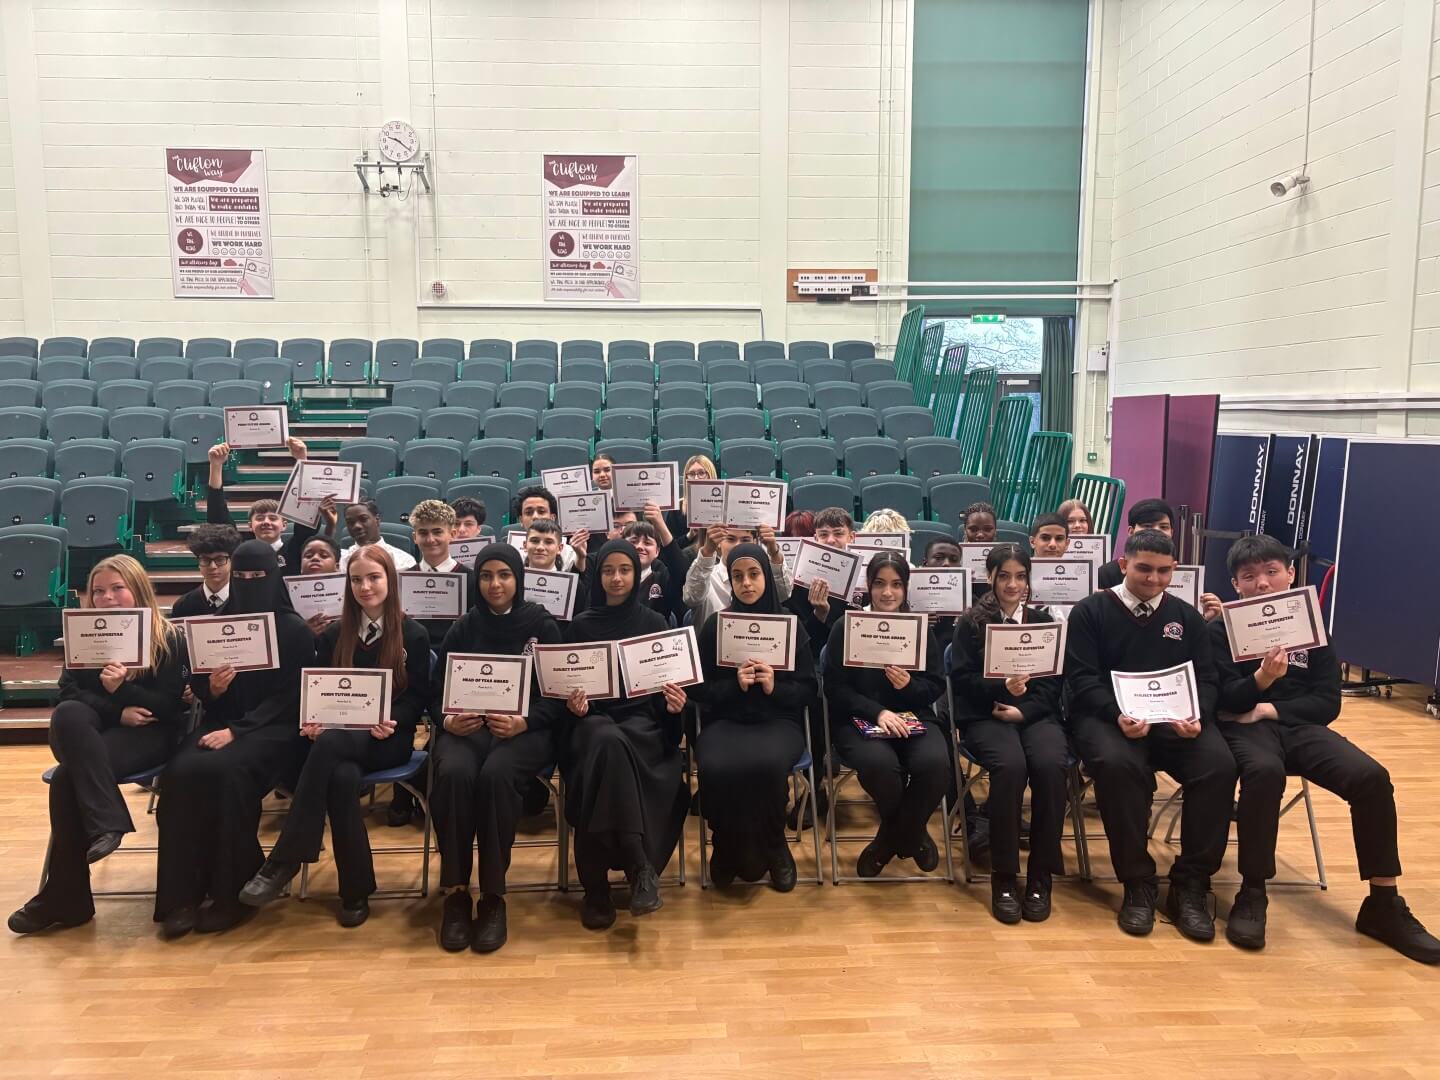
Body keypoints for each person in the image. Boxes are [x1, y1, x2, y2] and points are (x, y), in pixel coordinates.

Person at [1211, 535, 1440, 962]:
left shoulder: (1312, 630)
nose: (1262, 583)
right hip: (1244, 730)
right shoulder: (1219, 630)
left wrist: (1268, 707)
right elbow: (1223, 701)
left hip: (1295, 726)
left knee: (1371, 777)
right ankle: (1253, 891)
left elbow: (1327, 703)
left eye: (1271, 572)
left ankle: (1383, 903)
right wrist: (1261, 680)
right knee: (1264, 773)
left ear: (1290, 574)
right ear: (1236, 584)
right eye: (1250, 576)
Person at [238, 546, 431, 927]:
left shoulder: (414, 633)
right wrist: (314, 719)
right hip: (339, 738)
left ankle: (285, 858)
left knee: (329, 747)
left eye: (373, 577)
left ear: (390, 581)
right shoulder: (333, 634)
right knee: (340, 775)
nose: (365, 587)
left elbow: (417, 699)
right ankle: (355, 892)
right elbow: (319, 689)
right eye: (356, 580)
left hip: (387, 740)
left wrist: (390, 720)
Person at [1064, 529, 1235, 942]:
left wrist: (1197, 713)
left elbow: (1206, 678)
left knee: (1219, 765)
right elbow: (1081, 679)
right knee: (1117, 766)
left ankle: (1190, 885)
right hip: (1109, 719)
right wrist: (1116, 713)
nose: (1153, 579)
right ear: (1124, 564)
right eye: (1144, 569)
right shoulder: (1090, 612)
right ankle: (1137, 882)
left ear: (1174, 570)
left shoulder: (1186, 617)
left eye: (1163, 571)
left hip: (1174, 721)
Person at [9, 556, 187, 935]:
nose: (106, 598)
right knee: (68, 713)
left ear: (137, 589)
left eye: (117, 588)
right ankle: (108, 820)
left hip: (150, 734)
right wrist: (118, 710)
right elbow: (68, 692)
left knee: (66, 779)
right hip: (90, 732)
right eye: (98, 591)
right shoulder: (84, 635)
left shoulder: (168, 637)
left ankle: (65, 899)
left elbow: (169, 708)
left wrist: (123, 689)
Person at [154, 540, 316, 937]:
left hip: (274, 730)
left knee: (226, 775)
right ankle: (180, 896)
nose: (248, 582)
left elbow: (292, 697)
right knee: (179, 773)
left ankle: (232, 893)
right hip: (222, 721)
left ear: (273, 577)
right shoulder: (216, 626)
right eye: (241, 576)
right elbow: (199, 687)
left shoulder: (294, 629)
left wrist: (239, 731)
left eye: (257, 576)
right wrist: (213, 688)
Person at [427, 543, 563, 953]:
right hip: (467, 729)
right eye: (486, 576)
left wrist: (525, 721)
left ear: (518, 578)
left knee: (496, 776)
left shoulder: (541, 624)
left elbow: (555, 695)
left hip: (524, 732)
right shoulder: (464, 627)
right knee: (453, 773)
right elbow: (435, 694)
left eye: (504, 575)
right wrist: (448, 721)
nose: (495, 584)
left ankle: (492, 895)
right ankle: (455, 892)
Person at [562, 541, 688, 930]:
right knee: (604, 740)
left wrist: (675, 706)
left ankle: (596, 888)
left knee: (612, 746)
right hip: (590, 723)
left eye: (625, 570)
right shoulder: (580, 626)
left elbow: (665, 701)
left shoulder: (654, 624)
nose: (616, 578)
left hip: (643, 727)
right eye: (607, 570)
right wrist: (574, 706)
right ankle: (638, 866)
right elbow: (563, 696)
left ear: (636, 574)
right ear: (597, 575)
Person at [950, 545, 1068, 923]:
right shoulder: (970, 623)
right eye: (1004, 576)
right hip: (987, 715)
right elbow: (962, 682)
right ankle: (1003, 875)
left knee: (1050, 765)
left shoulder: (1043, 622)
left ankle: (1041, 874)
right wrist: (1000, 686)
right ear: (990, 577)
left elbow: (1053, 683)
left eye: (1020, 576)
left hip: (1035, 715)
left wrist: (1025, 710)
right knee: (1011, 766)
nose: (1012, 584)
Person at [689, 544, 815, 890]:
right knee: (715, 766)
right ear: (730, 581)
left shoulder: (790, 624)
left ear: (766, 577)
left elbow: (808, 690)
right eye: (737, 576)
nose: (746, 583)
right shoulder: (716, 625)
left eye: (754, 574)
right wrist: (734, 685)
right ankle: (724, 843)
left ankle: (775, 844)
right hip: (725, 721)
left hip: (778, 723)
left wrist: (775, 687)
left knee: (767, 766)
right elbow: (697, 689)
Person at [823, 552, 950, 878]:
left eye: (896, 584)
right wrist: (877, 711)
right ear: (869, 586)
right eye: (879, 584)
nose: (888, 592)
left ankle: (888, 842)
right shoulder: (847, 625)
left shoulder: (919, 628)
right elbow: (834, 688)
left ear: (906, 588)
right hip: (857, 719)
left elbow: (934, 685)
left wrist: (908, 686)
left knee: (936, 764)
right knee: (880, 766)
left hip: (914, 715)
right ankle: (914, 836)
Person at [206, 437, 335, 576]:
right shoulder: (241, 551)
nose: (266, 522)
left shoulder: (296, 549)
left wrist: (302, 460)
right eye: (260, 518)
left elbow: (306, 516)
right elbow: (218, 517)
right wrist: (216, 466)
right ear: (250, 526)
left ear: (284, 525)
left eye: (273, 518)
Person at [683, 523, 793, 627]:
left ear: (755, 542)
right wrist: (707, 551)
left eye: (745, 540)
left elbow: (783, 594)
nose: (737, 545)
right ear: (719, 542)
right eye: (730, 539)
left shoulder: (763, 576)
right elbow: (691, 598)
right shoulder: (706, 576)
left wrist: (774, 553)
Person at [785, 507, 855, 663]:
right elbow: (803, 645)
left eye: (838, 534)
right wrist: (819, 614)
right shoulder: (799, 581)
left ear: (852, 537)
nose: (830, 540)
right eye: (823, 535)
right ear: (815, 538)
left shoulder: (864, 581)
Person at [622, 512, 686, 621]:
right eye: (633, 541)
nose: (639, 546)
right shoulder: (612, 577)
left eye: (647, 543)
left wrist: (660, 525)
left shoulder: (662, 579)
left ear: (657, 551)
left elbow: (681, 573)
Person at [1095, 498, 1172, 589]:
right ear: (1131, 532)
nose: (1156, 531)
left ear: (1171, 532)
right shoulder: (1106, 575)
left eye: (1164, 527)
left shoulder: (1181, 572)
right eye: (1147, 526)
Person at [171, 523, 242, 619]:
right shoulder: (183, 606)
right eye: (205, 559)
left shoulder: (246, 601)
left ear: (232, 560)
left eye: (220, 559)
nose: (212, 566)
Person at [512, 485, 579, 570]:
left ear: (552, 517)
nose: (535, 516)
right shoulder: (511, 551)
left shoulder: (569, 554)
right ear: (521, 520)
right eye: (529, 513)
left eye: (541, 511)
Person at [339, 499, 417, 571]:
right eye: (350, 522)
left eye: (363, 519)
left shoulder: (404, 562)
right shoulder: (341, 561)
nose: (356, 526)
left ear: (377, 520)